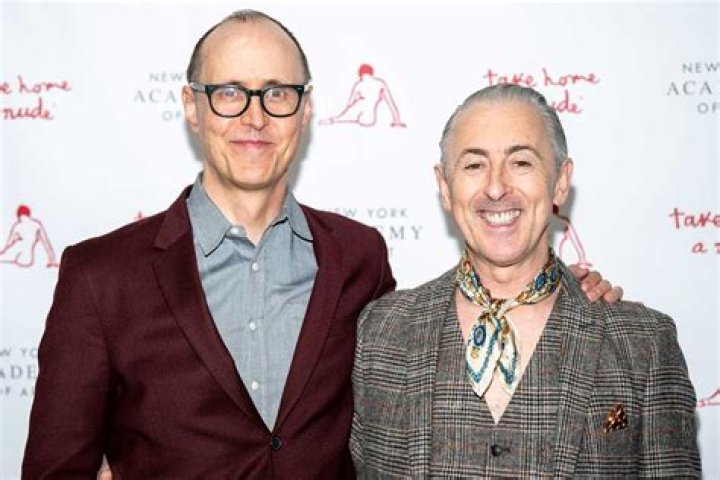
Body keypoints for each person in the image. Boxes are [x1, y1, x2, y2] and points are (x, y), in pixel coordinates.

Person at [22, 11, 620, 479]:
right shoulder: (100, 277)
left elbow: (425, 348)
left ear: (304, 110)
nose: (255, 117)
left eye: (277, 93)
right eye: (229, 92)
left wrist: (558, 294)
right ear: (192, 108)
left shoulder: (358, 258)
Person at [350, 84, 701, 477]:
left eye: (521, 162)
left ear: (561, 180)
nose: (496, 188)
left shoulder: (643, 345)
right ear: (445, 187)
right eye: (474, 165)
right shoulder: (379, 333)